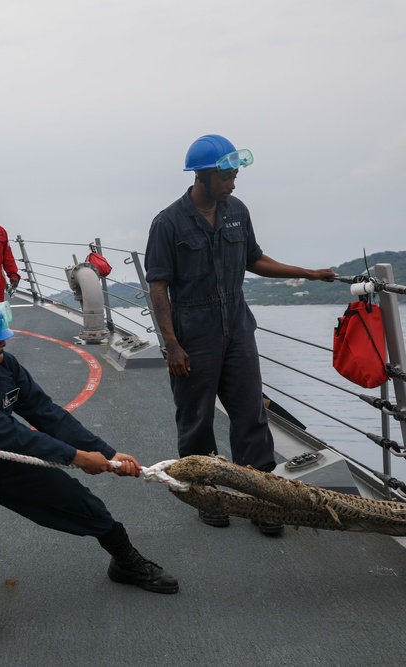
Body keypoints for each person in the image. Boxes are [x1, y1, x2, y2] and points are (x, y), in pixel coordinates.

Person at [0, 290, 177, 646]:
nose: (5, 340)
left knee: (75, 500)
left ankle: (125, 561)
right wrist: (78, 458)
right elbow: (12, 435)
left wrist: (106, 453)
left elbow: (45, 413)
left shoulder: (4, 365)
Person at [144, 134, 337, 536]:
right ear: (204, 175)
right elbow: (158, 286)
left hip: (237, 326)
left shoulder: (237, 212)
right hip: (192, 334)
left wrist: (308, 272)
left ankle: (261, 497)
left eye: (235, 175)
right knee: (196, 418)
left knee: (251, 413)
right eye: (227, 175)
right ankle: (205, 493)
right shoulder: (167, 223)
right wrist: (171, 343)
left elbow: (254, 259)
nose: (234, 182)